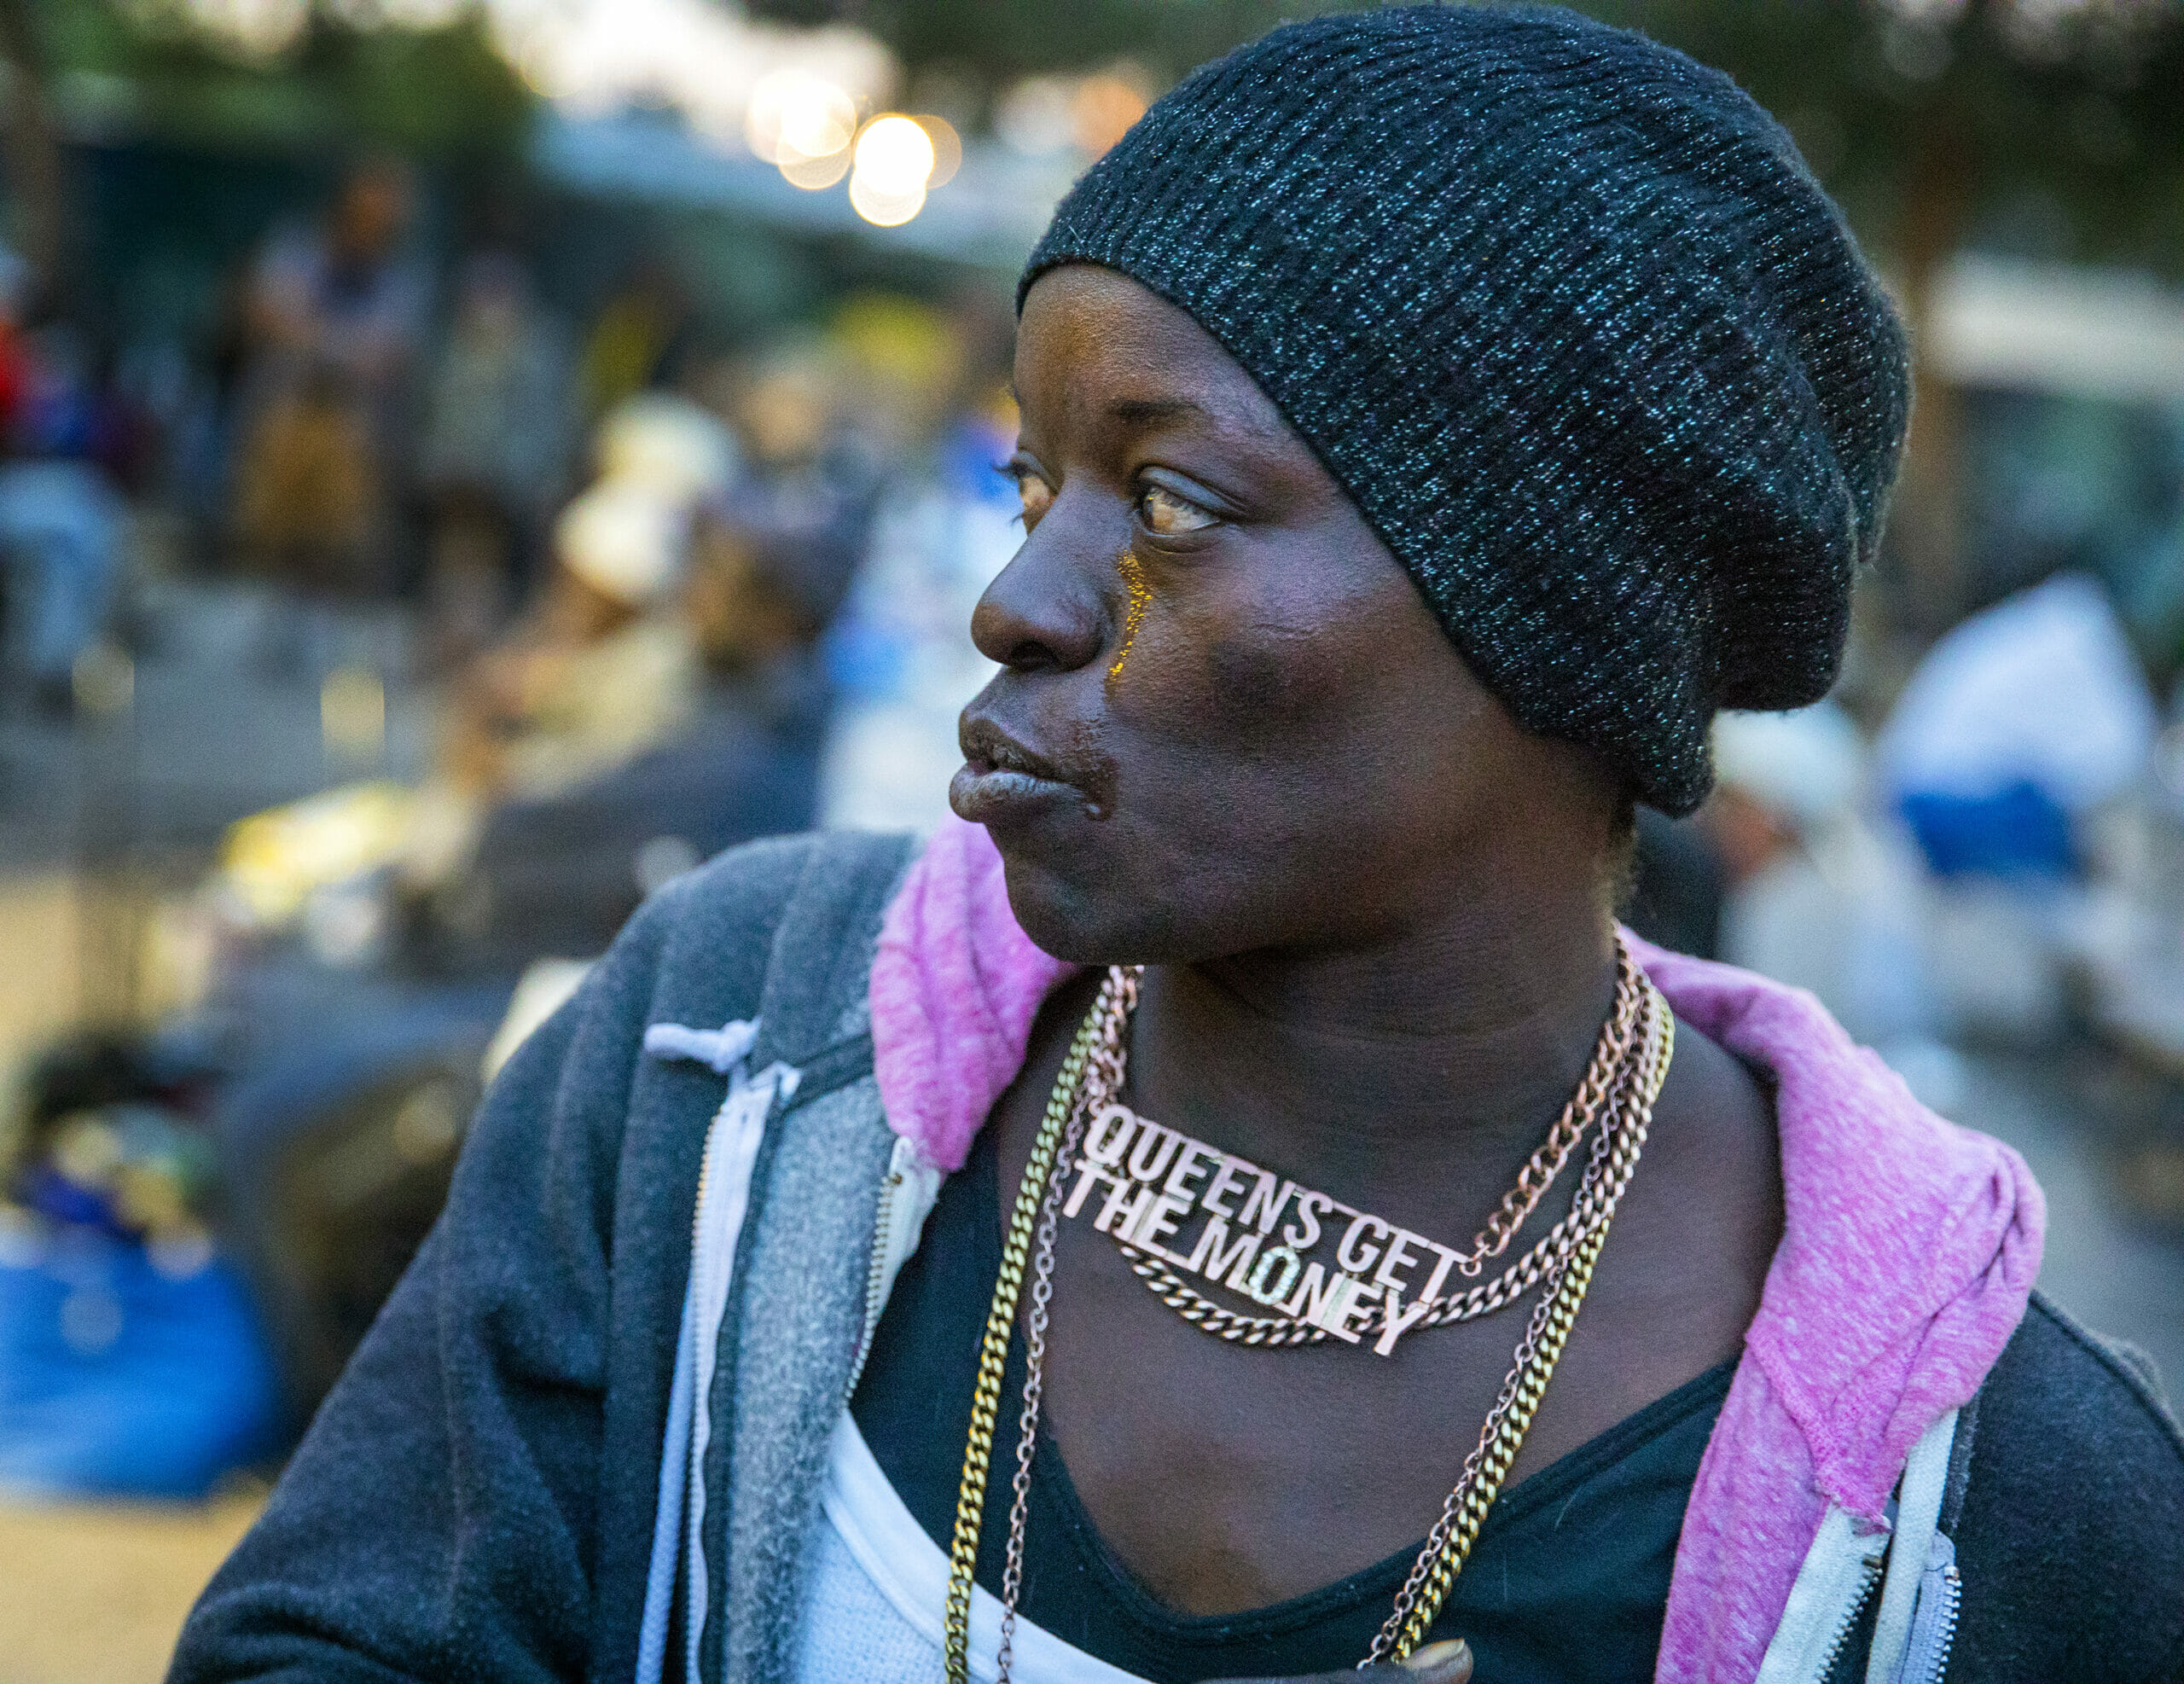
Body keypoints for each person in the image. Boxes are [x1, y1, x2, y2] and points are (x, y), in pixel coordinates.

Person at [170, 11, 2184, 1684]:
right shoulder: (724, 1069)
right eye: (1033, 477)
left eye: (1175, 499)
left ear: (1554, 620)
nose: (1020, 598)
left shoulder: (1983, 1499)